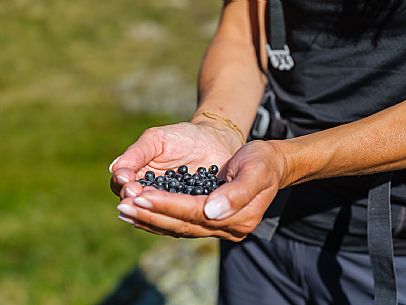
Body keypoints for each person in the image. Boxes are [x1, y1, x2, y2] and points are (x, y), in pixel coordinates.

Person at [109, 0, 406, 304]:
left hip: (385, 254)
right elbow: (242, 33)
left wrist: (288, 161)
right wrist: (217, 125)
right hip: (258, 229)